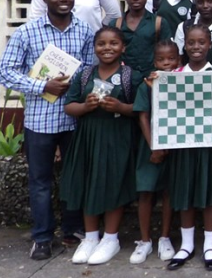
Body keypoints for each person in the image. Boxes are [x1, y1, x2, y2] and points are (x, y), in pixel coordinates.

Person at [0, 0, 94, 260]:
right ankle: (42, 237)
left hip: (74, 119)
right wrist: (42, 86)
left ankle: (73, 228)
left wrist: (80, 83)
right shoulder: (27, 32)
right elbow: (4, 71)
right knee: (40, 181)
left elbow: (89, 68)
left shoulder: (84, 30)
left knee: (75, 177)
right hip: (40, 121)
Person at [60, 26, 139, 265]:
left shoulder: (130, 76)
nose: (107, 48)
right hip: (89, 137)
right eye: (101, 44)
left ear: (123, 47)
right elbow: (69, 105)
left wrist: (121, 108)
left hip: (117, 137)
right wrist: (86, 106)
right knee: (88, 183)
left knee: (112, 183)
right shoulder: (85, 75)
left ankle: (111, 238)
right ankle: (91, 237)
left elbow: (142, 108)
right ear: (94, 48)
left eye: (113, 43)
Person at [165, 23, 212, 271]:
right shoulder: (174, 75)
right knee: (185, 193)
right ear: (185, 44)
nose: (196, 47)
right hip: (183, 145)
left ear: (210, 45)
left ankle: (209, 244)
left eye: (201, 42)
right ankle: (186, 245)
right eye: (191, 42)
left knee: (210, 194)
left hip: (210, 145)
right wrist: (157, 86)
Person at [130, 40, 180, 264]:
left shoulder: (183, 83)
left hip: (176, 146)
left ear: (179, 60)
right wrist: (154, 146)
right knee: (146, 192)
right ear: (154, 61)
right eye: (161, 59)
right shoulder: (146, 85)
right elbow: (142, 116)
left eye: (171, 59)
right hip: (150, 147)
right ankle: (144, 239)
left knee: (169, 191)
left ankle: (165, 237)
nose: (166, 63)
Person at [111, 0, 172, 80]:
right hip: (124, 79)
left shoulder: (159, 23)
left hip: (152, 77)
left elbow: (167, 53)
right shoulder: (116, 24)